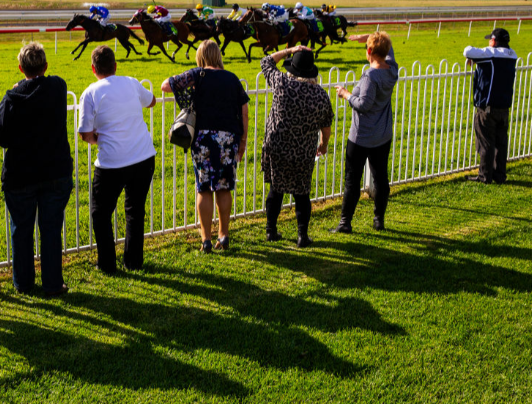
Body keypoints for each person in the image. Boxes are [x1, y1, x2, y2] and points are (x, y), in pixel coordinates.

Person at [0, 42, 74, 296]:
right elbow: (48, 86)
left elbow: (0, 136)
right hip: (55, 171)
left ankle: (23, 283)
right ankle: (52, 283)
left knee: (21, 230)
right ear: (46, 66)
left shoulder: (12, 98)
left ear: (20, 68)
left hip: (21, 174)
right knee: (51, 229)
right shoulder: (58, 87)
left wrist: (16, 89)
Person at [162, 40, 249, 253]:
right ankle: (224, 235)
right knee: (224, 186)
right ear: (218, 55)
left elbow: (166, 85)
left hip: (203, 139)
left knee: (204, 187)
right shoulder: (232, 78)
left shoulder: (197, 75)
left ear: (201, 56)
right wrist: (243, 141)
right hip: (229, 138)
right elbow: (244, 109)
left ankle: (206, 239)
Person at [79, 45, 157, 274]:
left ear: (93, 68)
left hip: (112, 162)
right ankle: (133, 261)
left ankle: (107, 263)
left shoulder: (90, 92)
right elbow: (151, 101)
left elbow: (84, 133)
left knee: (100, 213)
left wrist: (99, 139)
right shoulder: (131, 82)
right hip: (143, 156)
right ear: (115, 66)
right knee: (135, 210)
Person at [260, 46, 333, 247]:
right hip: (304, 150)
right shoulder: (320, 95)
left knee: (276, 189)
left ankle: (271, 231)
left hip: (278, 147)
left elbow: (266, 62)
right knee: (302, 193)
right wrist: (323, 145)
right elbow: (326, 126)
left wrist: (289, 49)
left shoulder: (282, 83)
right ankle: (302, 236)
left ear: (293, 68)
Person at [332, 32, 398, 233]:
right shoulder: (392, 69)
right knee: (381, 178)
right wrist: (370, 36)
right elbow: (389, 50)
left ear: (369, 51)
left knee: (353, 179)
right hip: (383, 134)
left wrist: (346, 94)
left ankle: (345, 223)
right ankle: (379, 219)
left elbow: (363, 104)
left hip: (361, 136)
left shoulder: (370, 76)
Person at [463, 28, 518, 184]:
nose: (488, 42)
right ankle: (500, 175)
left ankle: (484, 175)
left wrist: (475, 59)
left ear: (494, 41)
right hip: (504, 107)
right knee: (501, 143)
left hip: (487, 108)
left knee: (486, 143)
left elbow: (467, 50)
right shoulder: (512, 54)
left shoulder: (491, 53)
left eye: (490, 40)